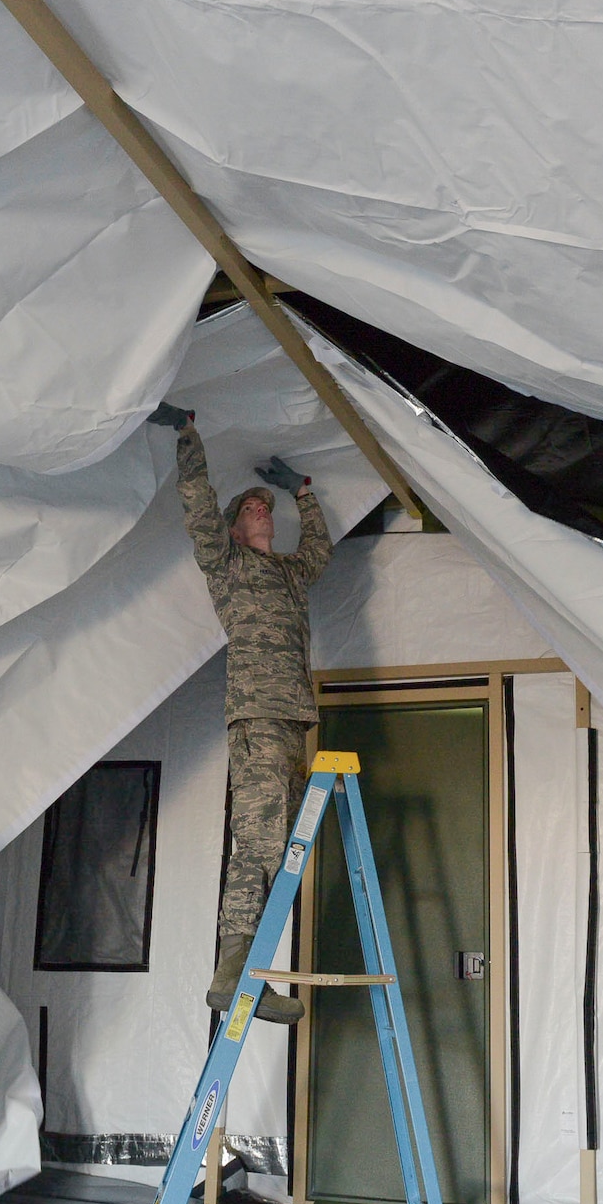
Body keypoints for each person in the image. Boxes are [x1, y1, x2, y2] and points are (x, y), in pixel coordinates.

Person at [151, 402, 331, 1023]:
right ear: (231, 530)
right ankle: (231, 973)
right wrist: (188, 435)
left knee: (283, 851)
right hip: (256, 717)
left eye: (266, 508)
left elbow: (320, 550)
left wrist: (303, 494)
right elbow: (198, 502)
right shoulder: (228, 566)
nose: (261, 511)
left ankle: (253, 975)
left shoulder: (290, 572)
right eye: (250, 508)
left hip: (292, 722)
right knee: (255, 842)